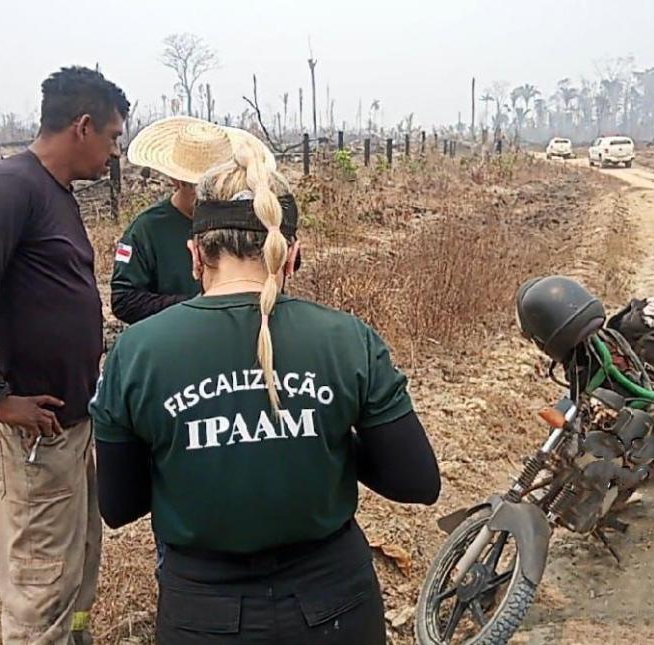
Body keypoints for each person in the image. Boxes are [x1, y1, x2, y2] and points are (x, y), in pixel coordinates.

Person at [89, 142, 441, 643]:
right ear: (291, 254)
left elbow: (119, 506)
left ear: (195, 254)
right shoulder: (349, 340)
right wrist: (325, 435)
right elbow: (417, 482)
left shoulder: (138, 352)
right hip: (335, 608)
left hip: (203, 616)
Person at [0, 65, 128, 645]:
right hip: (34, 440)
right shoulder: (12, 185)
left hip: (70, 431)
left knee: (75, 579)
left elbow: (12, 290)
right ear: (83, 126)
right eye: (114, 137)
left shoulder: (55, 193)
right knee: (40, 592)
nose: (115, 152)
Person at [111, 116, 276, 324]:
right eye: (202, 188)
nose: (212, 195)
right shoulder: (147, 230)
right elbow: (124, 300)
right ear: (177, 181)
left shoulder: (247, 216)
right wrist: (196, 305)